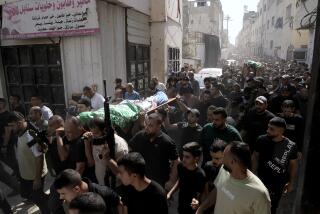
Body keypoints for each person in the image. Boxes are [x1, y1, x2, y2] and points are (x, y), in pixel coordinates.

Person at [196, 142, 271, 214]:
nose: (222, 157)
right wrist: (201, 208)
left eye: (224, 155)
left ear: (233, 162)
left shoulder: (260, 193)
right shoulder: (224, 170)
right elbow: (218, 190)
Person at [252, 117, 298, 214]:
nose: (267, 130)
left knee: (271, 208)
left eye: (272, 129)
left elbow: (293, 165)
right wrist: (253, 173)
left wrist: (291, 183)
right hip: (260, 179)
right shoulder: (261, 140)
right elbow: (255, 156)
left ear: (281, 130)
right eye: (268, 127)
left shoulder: (291, 146)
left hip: (277, 184)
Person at [7, 111, 50, 213]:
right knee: (28, 194)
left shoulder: (31, 135)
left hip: (35, 175)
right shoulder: (19, 132)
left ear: (19, 122)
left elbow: (39, 157)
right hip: (26, 174)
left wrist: (37, 179)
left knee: (38, 199)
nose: (11, 129)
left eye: (12, 125)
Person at [129, 113, 179, 189]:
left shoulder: (167, 142)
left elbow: (176, 161)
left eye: (151, 125)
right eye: (146, 124)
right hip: (141, 180)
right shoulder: (140, 136)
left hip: (159, 183)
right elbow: (130, 149)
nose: (147, 128)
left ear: (159, 126)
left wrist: (172, 181)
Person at [54, 169, 122, 214]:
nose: (60, 197)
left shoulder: (104, 193)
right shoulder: (65, 203)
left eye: (63, 193)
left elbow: (120, 204)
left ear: (76, 189)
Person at [84, 117, 128, 185]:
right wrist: (87, 144)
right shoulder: (96, 140)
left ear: (105, 131)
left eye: (96, 133)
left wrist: (108, 159)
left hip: (116, 186)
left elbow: (122, 173)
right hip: (102, 184)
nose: (93, 136)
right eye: (92, 132)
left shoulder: (119, 145)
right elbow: (91, 163)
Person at [167, 142, 206, 214]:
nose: (183, 159)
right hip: (181, 205)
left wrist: (196, 202)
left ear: (196, 158)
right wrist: (170, 193)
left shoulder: (200, 175)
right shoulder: (181, 167)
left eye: (187, 157)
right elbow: (180, 180)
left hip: (191, 209)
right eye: (183, 156)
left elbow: (200, 193)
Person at [202, 140, 227, 214]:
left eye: (217, 158)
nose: (213, 161)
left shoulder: (230, 172)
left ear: (225, 155)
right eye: (212, 157)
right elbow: (204, 185)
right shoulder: (208, 166)